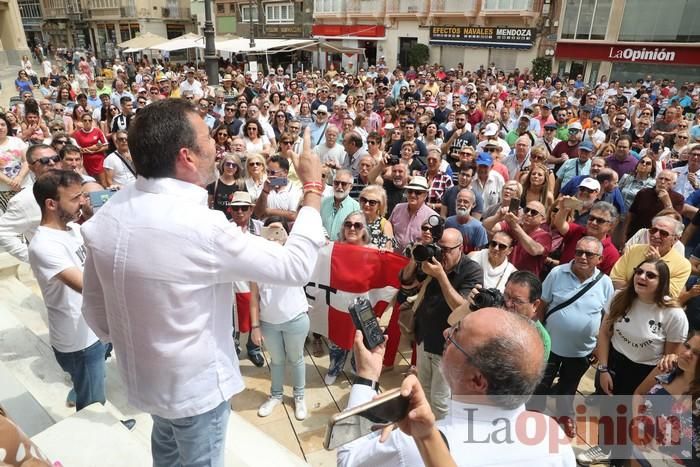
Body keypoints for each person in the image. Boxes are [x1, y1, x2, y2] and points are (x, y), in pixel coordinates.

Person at [79, 100, 325, 466]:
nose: (216, 146)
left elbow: (95, 313)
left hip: (146, 383)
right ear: (187, 157)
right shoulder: (201, 229)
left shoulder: (108, 214)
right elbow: (294, 266)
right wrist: (312, 186)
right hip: (196, 392)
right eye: (208, 137)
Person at [337, 308, 575, 466]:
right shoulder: (551, 435)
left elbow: (348, 460)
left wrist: (366, 377)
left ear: (477, 381)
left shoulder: (413, 446)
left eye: (455, 335)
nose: (445, 332)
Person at [578, 259, 688, 466]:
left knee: (632, 420)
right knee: (609, 410)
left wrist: (647, 388)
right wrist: (603, 368)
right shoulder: (620, 297)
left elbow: (668, 360)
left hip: (646, 373)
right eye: (639, 272)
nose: (642, 277)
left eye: (650, 275)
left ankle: (621, 459)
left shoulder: (673, 314)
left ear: (662, 281)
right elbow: (604, 332)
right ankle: (604, 447)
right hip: (614, 363)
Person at [28, 170, 106, 411]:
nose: (82, 202)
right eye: (75, 198)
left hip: (91, 328)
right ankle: (99, 437)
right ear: (51, 204)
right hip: (79, 340)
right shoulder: (44, 245)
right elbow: (88, 287)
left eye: (82, 196)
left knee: (93, 383)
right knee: (93, 403)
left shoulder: (72, 230)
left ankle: (80, 390)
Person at [399, 227, 482, 419]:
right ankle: (425, 429)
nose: (441, 253)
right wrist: (416, 256)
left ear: (460, 248)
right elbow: (405, 280)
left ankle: (441, 439)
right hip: (423, 339)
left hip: (447, 348)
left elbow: (462, 310)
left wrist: (440, 276)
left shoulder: (472, 271)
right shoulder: (432, 261)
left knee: (441, 401)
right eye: (439, 247)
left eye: (447, 250)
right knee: (424, 392)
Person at [536, 236, 615, 439]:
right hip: (550, 345)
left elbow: (606, 319)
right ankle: (533, 415)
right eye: (579, 251)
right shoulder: (557, 272)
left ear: (599, 258)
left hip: (582, 350)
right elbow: (542, 305)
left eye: (589, 254)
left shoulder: (605, 283)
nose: (582, 257)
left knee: (568, 386)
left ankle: (564, 416)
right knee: (540, 383)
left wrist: (600, 346)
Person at [249, 217, 310, 421]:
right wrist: (255, 326)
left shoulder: (293, 258)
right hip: (269, 323)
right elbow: (254, 298)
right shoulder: (257, 263)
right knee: (277, 360)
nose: (274, 236)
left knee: (296, 358)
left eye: (279, 232)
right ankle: (276, 395)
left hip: (295, 319)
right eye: (270, 231)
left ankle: (299, 396)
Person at [0, 144, 62, 262]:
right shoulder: (24, 200)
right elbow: (3, 232)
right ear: (32, 168)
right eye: (44, 161)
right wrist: (33, 258)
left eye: (55, 158)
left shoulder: (75, 187)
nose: (52, 163)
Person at [611, 216, 691, 298]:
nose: (656, 235)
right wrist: (634, 297)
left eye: (663, 233)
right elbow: (616, 278)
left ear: (675, 239)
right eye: (653, 230)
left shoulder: (683, 265)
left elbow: (669, 294)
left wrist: (657, 265)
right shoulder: (633, 249)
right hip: (624, 300)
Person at [483, 200, 552, 278]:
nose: (528, 214)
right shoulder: (512, 225)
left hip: (524, 280)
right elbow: (487, 227)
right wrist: (498, 217)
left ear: (542, 220)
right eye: (526, 210)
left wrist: (515, 225)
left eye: (534, 212)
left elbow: (534, 250)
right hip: (503, 275)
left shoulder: (545, 236)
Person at [553, 199, 620, 274]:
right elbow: (559, 224)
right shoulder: (576, 231)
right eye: (591, 218)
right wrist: (563, 209)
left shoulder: (612, 253)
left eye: (600, 220)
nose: (594, 223)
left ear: (611, 225)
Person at [624, 170, 684, 241]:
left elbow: (675, 221)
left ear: (673, 184)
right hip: (637, 235)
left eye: (667, 180)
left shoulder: (678, 198)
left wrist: (667, 202)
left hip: (659, 238)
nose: (662, 182)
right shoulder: (643, 193)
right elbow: (631, 214)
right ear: (656, 179)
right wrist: (624, 233)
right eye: (660, 178)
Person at [388, 176, 438, 252]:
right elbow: (388, 228)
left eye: (417, 192)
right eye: (410, 191)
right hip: (394, 257)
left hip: (415, 261)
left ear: (425, 195)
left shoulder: (432, 217)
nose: (412, 195)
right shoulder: (398, 208)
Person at [0, 114, 30, 212]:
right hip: (3, 190)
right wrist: (11, 182)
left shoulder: (17, 141)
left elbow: (27, 160)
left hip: (24, 185)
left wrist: (19, 178)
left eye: (3, 124)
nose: (0, 128)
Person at [320, 169, 360, 240]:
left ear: (351, 187)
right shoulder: (323, 203)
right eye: (336, 183)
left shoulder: (356, 208)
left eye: (344, 184)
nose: (339, 187)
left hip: (344, 249)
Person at [445, 188, 488, 252]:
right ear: (455, 201)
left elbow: (480, 253)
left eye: (466, 202)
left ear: (473, 205)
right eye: (459, 201)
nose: (462, 204)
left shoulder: (479, 227)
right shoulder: (448, 222)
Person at [206, 153, 246, 221]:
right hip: (217, 221)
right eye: (228, 164)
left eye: (234, 165)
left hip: (234, 223)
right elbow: (208, 205)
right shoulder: (214, 183)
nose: (230, 167)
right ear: (223, 165)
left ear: (237, 168)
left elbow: (245, 207)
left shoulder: (241, 185)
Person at [359, 184, 394, 250]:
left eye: (372, 202)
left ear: (380, 205)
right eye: (364, 200)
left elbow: (388, 251)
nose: (367, 204)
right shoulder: (354, 220)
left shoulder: (385, 225)